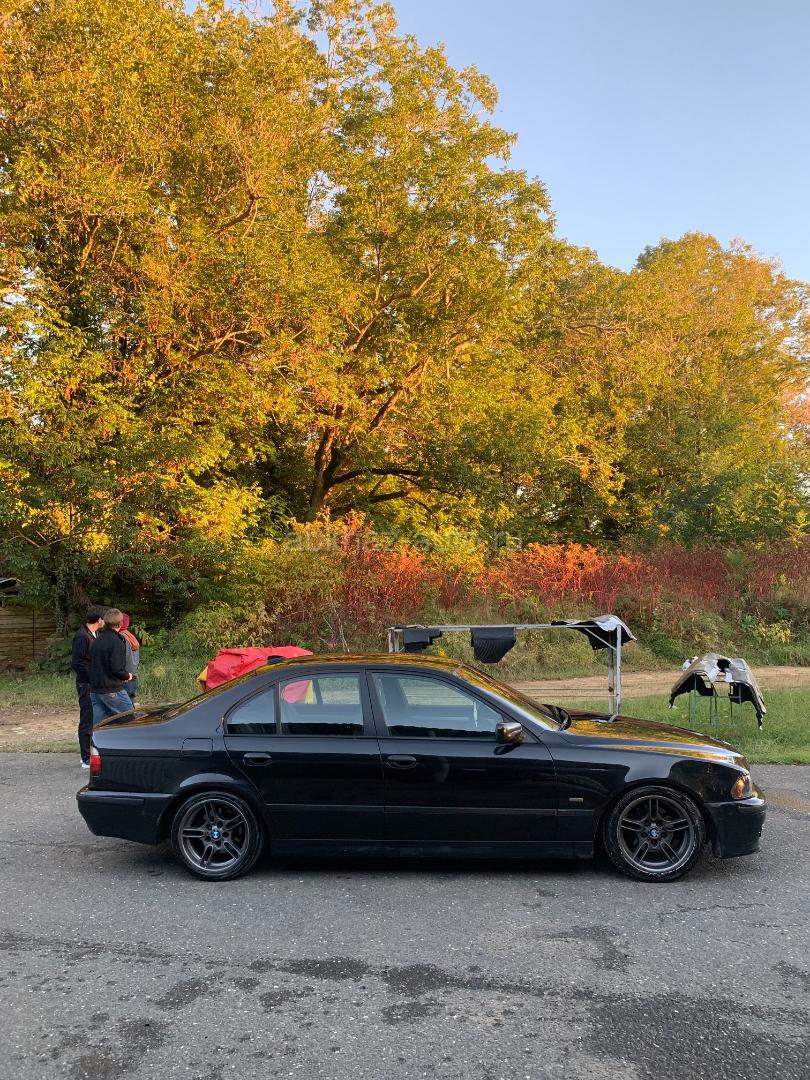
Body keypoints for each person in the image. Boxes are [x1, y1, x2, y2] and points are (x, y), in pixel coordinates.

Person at [72, 605, 106, 769]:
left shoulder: (95, 634)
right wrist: (91, 678)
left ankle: (93, 752)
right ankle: (85, 757)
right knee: (87, 718)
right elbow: (77, 663)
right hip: (86, 683)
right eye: (104, 619)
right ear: (99, 620)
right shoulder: (82, 636)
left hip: (95, 683)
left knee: (96, 717)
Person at [89, 608, 134, 726]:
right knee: (130, 718)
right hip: (111, 689)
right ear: (121, 623)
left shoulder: (97, 640)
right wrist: (127, 675)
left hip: (95, 689)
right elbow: (117, 669)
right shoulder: (116, 641)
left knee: (98, 724)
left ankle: (92, 738)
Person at [119, 613, 140, 706]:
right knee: (130, 703)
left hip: (125, 677)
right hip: (133, 675)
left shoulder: (120, 637)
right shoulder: (130, 636)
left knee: (124, 707)